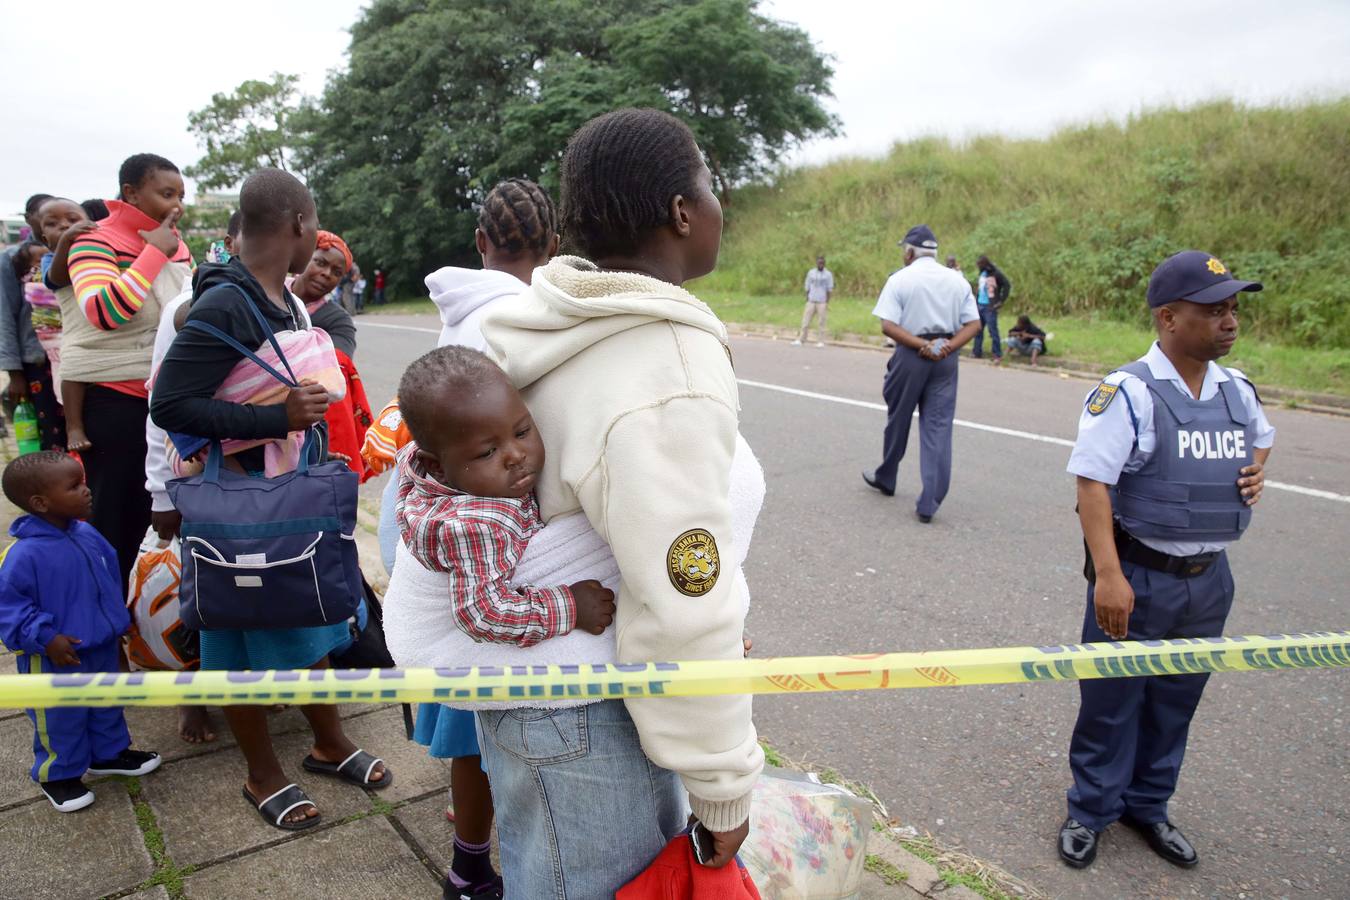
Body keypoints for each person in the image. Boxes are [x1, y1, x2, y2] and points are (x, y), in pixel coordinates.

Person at [387, 108, 766, 896]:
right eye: (711, 185)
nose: (720, 208)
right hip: (588, 709)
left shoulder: (540, 321)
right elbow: (685, 594)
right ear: (682, 211)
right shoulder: (662, 364)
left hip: (538, 703)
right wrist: (723, 782)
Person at [151, 167, 390, 831]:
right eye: (313, 224)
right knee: (238, 638)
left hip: (285, 492)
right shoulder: (227, 301)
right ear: (296, 225)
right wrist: (275, 419)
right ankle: (261, 774)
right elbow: (168, 402)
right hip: (239, 507)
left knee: (308, 614)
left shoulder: (282, 297)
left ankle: (328, 741)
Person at [1058, 250, 1273, 871]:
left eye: (1233, 307)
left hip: (1209, 581)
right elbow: (1092, 484)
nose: (1229, 321)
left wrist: (1256, 480)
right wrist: (1109, 576)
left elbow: (1260, 444)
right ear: (1168, 318)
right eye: (1213, 310)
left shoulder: (1237, 390)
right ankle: (1091, 809)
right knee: (1111, 700)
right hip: (1138, 576)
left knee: (1177, 700)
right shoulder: (1127, 392)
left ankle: (1148, 805)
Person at [0, 451, 162, 813]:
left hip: (100, 644)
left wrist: (118, 622)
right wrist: (46, 638)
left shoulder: (87, 534)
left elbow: (107, 581)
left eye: (84, 481)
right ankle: (58, 774)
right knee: (59, 715)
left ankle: (108, 754)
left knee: (107, 704)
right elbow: (9, 608)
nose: (87, 491)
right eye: (74, 486)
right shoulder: (22, 556)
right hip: (55, 655)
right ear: (40, 503)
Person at [61, 154, 192, 593]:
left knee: (167, 521)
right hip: (114, 403)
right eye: (166, 193)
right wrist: (154, 251)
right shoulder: (93, 242)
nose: (176, 205)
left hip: (169, 402)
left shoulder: (176, 243)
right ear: (131, 193)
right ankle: (113, 617)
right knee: (118, 519)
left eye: (180, 195)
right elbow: (104, 311)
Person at [862, 224, 981, 523]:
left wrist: (922, 345)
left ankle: (887, 477)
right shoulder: (957, 281)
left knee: (898, 419)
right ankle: (930, 501)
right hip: (945, 357)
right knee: (938, 428)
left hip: (910, 354)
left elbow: (888, 326)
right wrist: (946, 346)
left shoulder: (901, 279)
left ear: (910, 252)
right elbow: (974, 324)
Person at [287, 230, 371, 477]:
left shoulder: (338, 320)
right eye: (320, 263)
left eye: (336, 272)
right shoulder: (269, 292)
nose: (326, 274)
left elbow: (333, 370)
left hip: (304, 427)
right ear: (304, 258)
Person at [2, 194, 61, 446]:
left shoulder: (71, 252)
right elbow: (5, 315)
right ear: (30, 220)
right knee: (48, 431)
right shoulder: (12, 259)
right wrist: (14, 373)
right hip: (36, 360)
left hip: (67, 357)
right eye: (49, 217)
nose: (59, 224)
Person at [972, 254, 1010, 361]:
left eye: (979, 264)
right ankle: (976, 352)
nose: (978, 266)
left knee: (993, 331)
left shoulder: (995, 273)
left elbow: (1007, 285)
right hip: (980, 305)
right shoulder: (982, 273)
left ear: (985, 264)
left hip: (990, 306)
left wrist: (1001, 300)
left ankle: (997, 354)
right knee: (978, 330)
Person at [793, 254, 833, 347]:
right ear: (816, 263)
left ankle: (820, 341)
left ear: (824, 264)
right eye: (819, 263)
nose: (821, 265)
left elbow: (829, 289)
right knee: (805, 321)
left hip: (822, 301)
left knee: (821, 322)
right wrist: (807, 297)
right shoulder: (811, 273)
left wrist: (827, 302)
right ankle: (801, 339)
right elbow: (807, 285)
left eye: (822, 263)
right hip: (811, 300)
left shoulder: (828, 275)